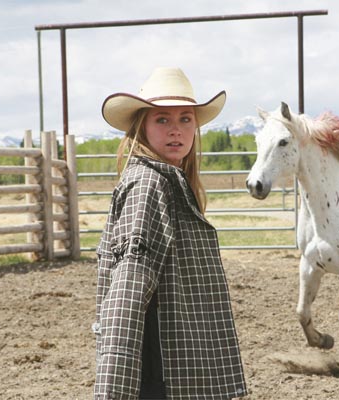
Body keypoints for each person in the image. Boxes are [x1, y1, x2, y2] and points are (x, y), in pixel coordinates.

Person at [93, 67, 248, 400]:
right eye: (162, 120)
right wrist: (112, 389)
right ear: (142, 127)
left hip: (173, 362)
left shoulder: (169, 183)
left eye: (185, 119)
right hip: (159, 368)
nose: (176, 130)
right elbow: (127, 290)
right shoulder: (148, 186)